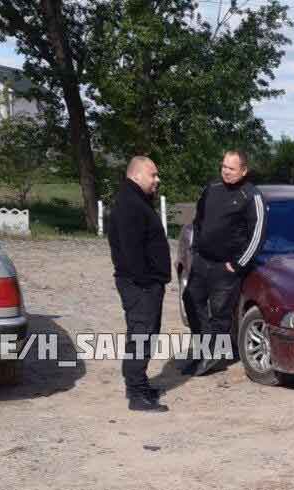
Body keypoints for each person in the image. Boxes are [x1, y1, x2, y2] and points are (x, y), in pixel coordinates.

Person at [182, 150, 266, 376]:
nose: (226, 172)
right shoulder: (212, 189)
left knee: (220, 315)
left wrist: (238, 265)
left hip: (226, 268)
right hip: (202, 261)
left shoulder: (252, 196)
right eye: (223, 167)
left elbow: (257, 235)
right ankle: (202, 352)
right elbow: (198, 221)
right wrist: (196, 249)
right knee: (190, 301)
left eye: (231, 168)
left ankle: (211, 359)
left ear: (244, 170)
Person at [108, 156, 171, 412]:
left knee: (146, 335)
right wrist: (146, 282)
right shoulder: (129, 204)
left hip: (146, 284)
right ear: (136, 175)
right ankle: (136, 394)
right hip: (139, 285)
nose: (157, 179)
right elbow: (131, 250)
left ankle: (140, 384)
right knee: (141, 335)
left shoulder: (137, 200)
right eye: (152, 175)